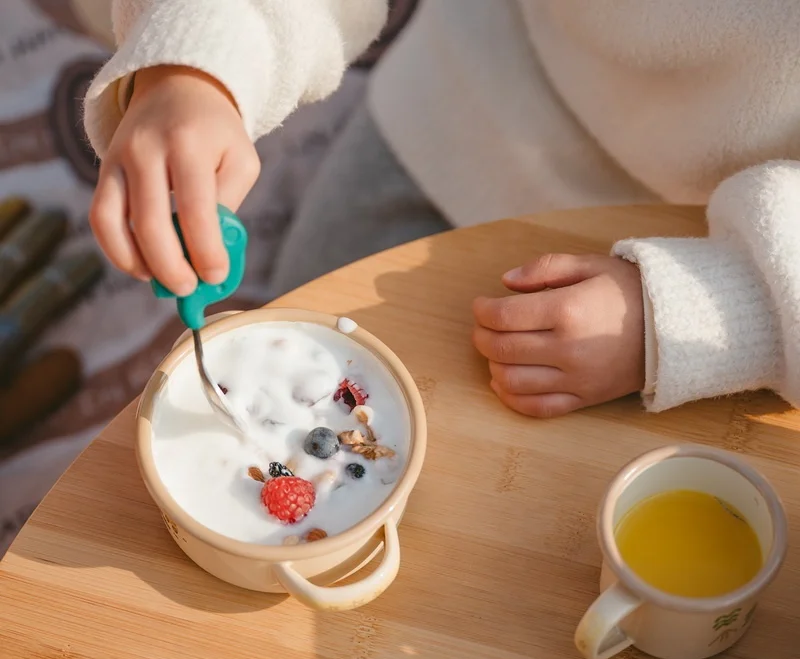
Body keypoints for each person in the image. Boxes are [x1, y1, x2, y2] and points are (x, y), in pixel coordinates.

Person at [84, 1, 800, 418]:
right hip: (459, 102)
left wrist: (724, 308)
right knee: (302, 316)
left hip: (719, 258)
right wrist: (204, 57)